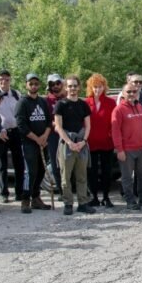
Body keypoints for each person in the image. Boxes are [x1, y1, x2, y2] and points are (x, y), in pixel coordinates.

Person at [55, 74, 95, 215]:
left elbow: (88, 126)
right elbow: (58, 126)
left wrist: (83, 141)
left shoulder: (83, 105)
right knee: (65, 177)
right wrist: (69, 142)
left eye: (75, 86)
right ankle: (68, 204)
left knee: (82, 176)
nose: (72, 88)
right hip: (67, 144)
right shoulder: (60, 105)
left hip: (81, 143)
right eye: (70, 86)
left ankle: (83, 203)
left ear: (79, 87)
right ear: (66, 88)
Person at [15, 73, 53, 213]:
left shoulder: (42, 102)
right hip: (29, 143)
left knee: (41, 171)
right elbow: (21, 125)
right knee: (30, 172)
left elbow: (49, 121)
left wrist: (45, 136)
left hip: (43, 142)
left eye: (36, 84)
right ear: (26, 85)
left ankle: (36, 198)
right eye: (31, 84)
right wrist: (37, 139)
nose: (34, 86)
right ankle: (25, 199)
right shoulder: (22, 102)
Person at [112, 82, 142, 209]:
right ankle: (130, 201)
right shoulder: (118, 110)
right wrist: (119, 149)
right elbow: (115, 131)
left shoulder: (140, 106)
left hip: (140, 148)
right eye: (128, 91)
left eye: (134, 91)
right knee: (127, 177)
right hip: (126, 150)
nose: (131, 94)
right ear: (123, 93)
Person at [85, 73, 117, 207]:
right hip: (90, 143)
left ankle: (106, 197)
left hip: (106, 143)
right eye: (95, 87)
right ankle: (94, 197)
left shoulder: (111, 102)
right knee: (91, 172)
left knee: (107, 171)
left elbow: (114, 123)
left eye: (100, 86)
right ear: (91, 88)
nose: (97, 89)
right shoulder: (86, 103)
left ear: (104, 87)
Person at [0, 70, 25, 203]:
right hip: (1, 133)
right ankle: (4, 193)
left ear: (10, 80)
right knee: (2, 165)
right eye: (1, 79)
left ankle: (19, 192)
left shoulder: (17, 94)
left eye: (7, 79)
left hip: (16, 132)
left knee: (19, 163)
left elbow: (21, 112)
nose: (4, 82)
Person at [44, 74, 65, 194]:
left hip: (68, 134)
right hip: (53, 135)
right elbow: (45, 119)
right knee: (55, 164)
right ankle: (61, 191)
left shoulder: (67, 98)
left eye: (58, 83)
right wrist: (55, 124)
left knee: (69, 163)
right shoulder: (46, 101)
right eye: (52, 84)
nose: (55, 86)